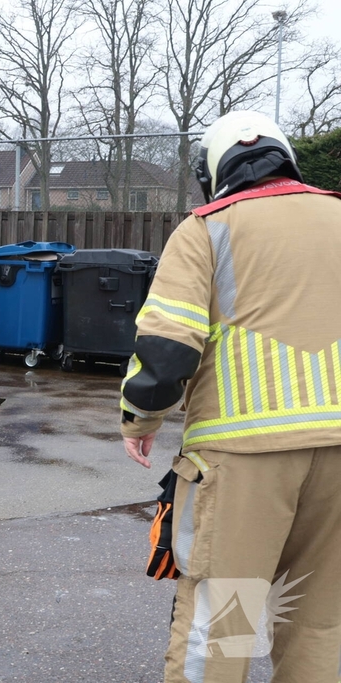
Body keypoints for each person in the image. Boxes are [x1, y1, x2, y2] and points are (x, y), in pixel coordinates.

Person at [119, 110, 341, 682]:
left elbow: (167, 350)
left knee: (225, 622)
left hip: (243, 464)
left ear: (214, 172)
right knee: (320, 623)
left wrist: (140, 421)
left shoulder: (208, 228)